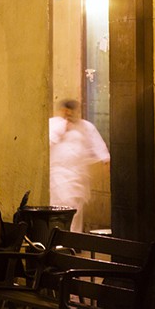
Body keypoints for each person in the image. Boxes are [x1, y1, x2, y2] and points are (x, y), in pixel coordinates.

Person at [49, 98, 110, 231]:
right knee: (57, 212)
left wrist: (106, 162)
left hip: (77, 180)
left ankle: (72, 243)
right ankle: (56, 243)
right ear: (61, 111)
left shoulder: (86, 127)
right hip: (57, 178)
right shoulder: (53, 124)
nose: (69, 115)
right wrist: (61, 130)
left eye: (72, 112)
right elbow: (45, 144)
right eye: (66, 111)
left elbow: (100, 149)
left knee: (74, 212)